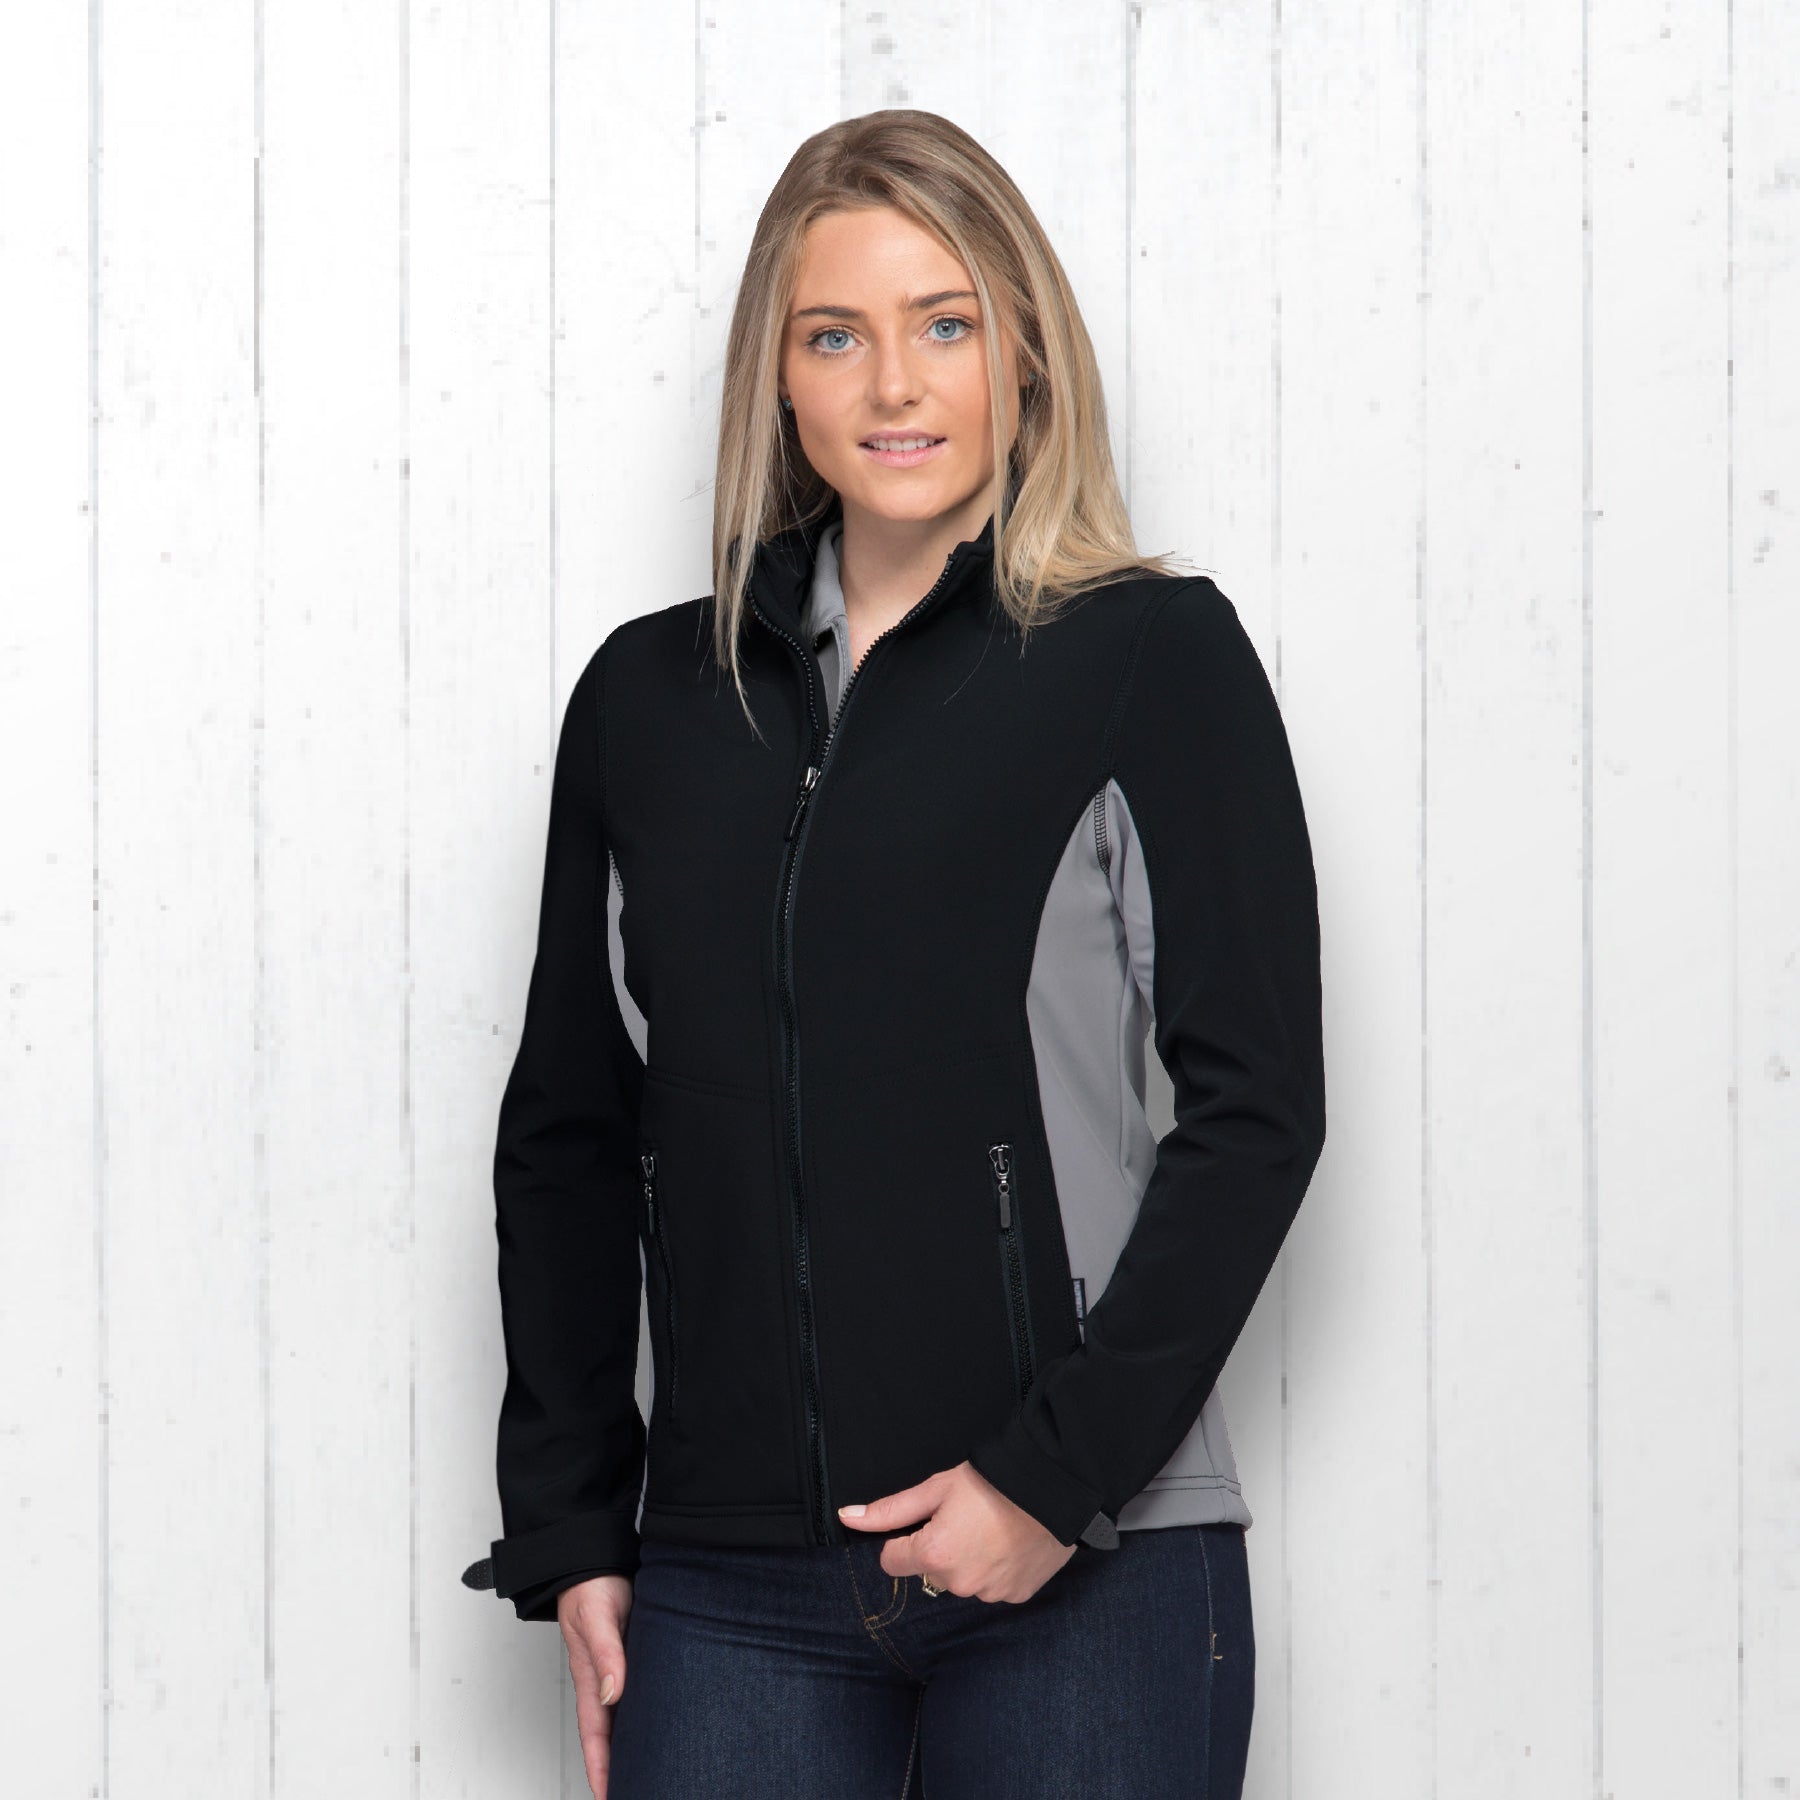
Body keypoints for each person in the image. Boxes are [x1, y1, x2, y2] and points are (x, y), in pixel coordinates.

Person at [461, 108, 1326, 1799]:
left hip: (1090, 1562)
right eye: (835, 336)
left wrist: (1054, 1478)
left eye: (945, 324)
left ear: (1026, 356)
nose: (895, 386)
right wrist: (572, 1526)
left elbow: (1256, 1112)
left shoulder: (1151, 658)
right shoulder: (650, 703)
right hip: (729, 1585)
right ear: (776, 382)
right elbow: (567, 1132)